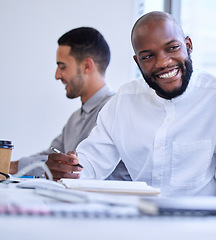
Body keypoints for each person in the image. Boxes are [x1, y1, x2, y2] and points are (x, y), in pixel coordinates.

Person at [46, 11, 216, 197]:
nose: (163, 62)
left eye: (172, 48)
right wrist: (68, 170)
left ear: (188, 46)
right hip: (139, 224)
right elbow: (89, 165)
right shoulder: (123, 101)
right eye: (148, 56)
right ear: (137, 62)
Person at [10, 27, 130, 180]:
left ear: (87, 66)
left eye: (62, 66)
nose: (56, 75)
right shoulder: (75, 118)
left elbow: (71, 167)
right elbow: (50, 158)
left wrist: (11, 166)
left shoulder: (115, 110)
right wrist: (9, 165)